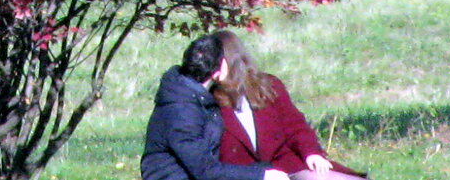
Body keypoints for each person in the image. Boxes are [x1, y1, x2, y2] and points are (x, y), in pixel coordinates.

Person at [212, 30, 365, 179]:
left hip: (284, 164)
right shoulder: (208, 98)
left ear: (232, 59)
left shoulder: (268, 85)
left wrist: (311, 152)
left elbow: (295, 125)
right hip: (244, 173)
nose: (213, 67)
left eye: (218, 61)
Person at [141, 33, 291, 180]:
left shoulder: (191, 95)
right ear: (218, 71)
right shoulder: (181, 110)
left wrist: (263, 170)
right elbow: (205, 171)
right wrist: (261, 175)